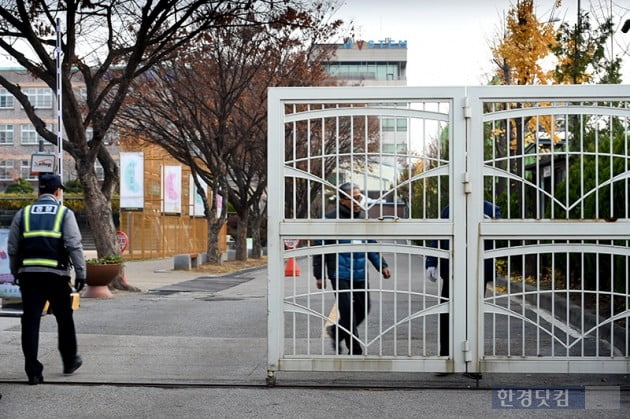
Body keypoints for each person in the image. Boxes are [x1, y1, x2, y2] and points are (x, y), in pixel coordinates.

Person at [8, 173, 86, 385]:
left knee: (31, 320)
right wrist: (81, 273)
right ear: (58, 191)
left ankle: (32, 371)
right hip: (56, 276)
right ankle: (69, 360)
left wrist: (15, 271)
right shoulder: (64, 213)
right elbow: (73, 244)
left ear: (39, 191)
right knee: (64, 316)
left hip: (29, 276)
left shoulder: (23, 214)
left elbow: (13, 247)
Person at [312, 182, 391, 355]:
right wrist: (319, 275)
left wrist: (382, 265)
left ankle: (336, 331)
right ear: (342, 200)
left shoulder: (363, 216)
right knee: (347, 311)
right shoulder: (330, 218)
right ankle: (354, 349)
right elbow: (319, 247)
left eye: (359, 197)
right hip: (339, 272)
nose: (357, 201)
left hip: (360, 272)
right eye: (353, 198)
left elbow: (370, 244)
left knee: (363, 309)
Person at [425, 201, 502, 357]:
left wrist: (489, 223)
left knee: (474, 314)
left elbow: (499, 237)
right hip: (453, 270)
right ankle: (446, 355)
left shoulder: (491, 209)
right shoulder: (449, 208)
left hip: (477, 270)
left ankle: (473, 358)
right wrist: (431, 262)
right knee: (447, 312)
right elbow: (438, 235)